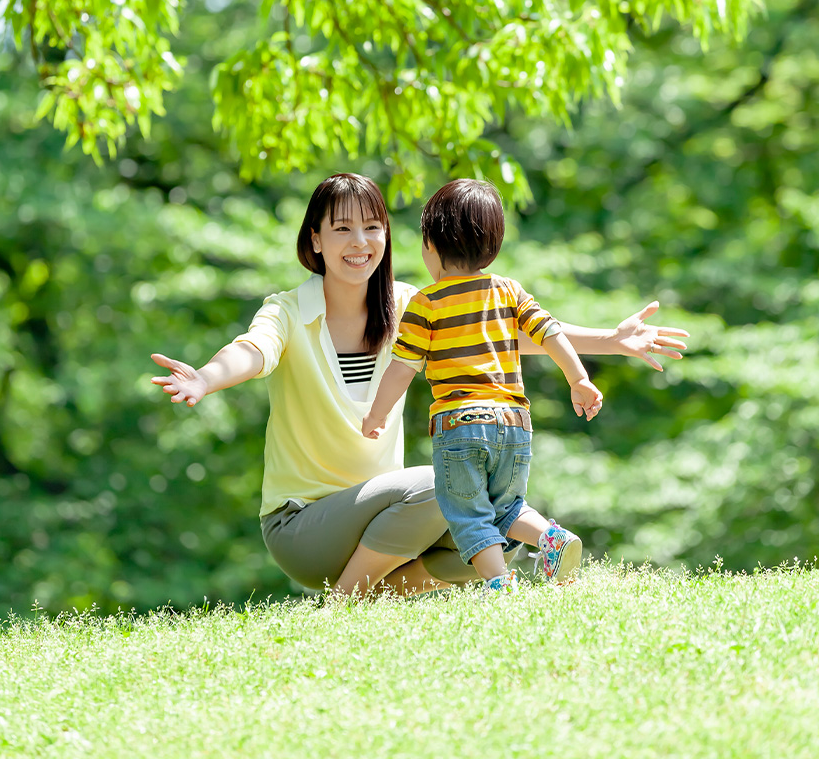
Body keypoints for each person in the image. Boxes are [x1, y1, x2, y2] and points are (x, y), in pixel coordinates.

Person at [152, 173, 688, 598]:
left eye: (372, 228)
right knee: (446, 481)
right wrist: (205, 378)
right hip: (305, 526)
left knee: (483, 529)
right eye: (341, 229)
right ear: (314, 240)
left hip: (391, 526)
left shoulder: (411, 304)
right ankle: (344, 603)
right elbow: (252, 351)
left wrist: (613, 341)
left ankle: (368, 596)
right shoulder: (290, 311)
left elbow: (505, 333)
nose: (359, 243)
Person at [361, 180, 601, 592]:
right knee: (507, 507)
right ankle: (550, 538)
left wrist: (376, 414)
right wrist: (578, 379)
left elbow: (402, 368)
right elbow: (551, 333)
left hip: (460, 424)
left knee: (467, 513)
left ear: (431, 245)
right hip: (514, 422)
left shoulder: (427, 303)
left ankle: (499, 586)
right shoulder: (508, 290)